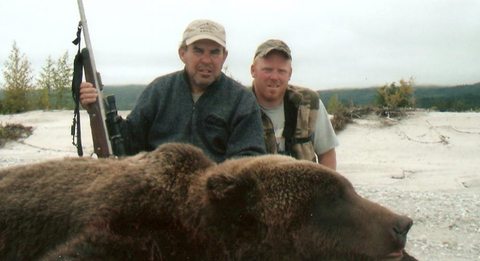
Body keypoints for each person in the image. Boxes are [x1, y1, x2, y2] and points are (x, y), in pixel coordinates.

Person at [80, 19, 266, 163]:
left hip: (213, 197)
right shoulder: (159, 91)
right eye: (198, 51)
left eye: (215, 52)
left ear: (224, 56)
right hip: (157, 191)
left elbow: (248, 158)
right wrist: (97, 107)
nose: (206, 60)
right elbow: (130, 142)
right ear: (182, 53)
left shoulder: (242, 100)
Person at [250, 39, 339, 169]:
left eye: (281, 71)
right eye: (267, 70)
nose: (274, 77)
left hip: (305, 187)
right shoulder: (238, 104)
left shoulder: (310, 104)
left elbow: (327, 154)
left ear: (290, 73)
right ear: (253, 70)